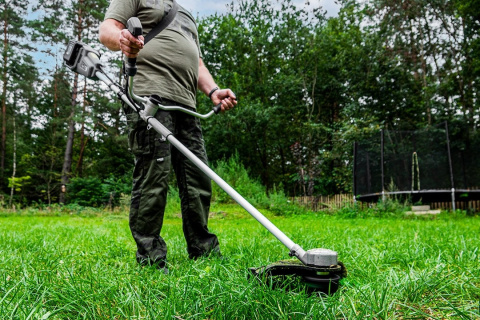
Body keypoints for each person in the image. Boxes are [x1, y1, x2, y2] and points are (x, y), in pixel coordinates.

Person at [99, 0, 237, 270]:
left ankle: (204, 252)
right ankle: (150, 258)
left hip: (187, 105)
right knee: (154, 176)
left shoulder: (185, 13)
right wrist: (123, 39)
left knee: (198, 179)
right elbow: (107, 29)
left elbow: (196, 62)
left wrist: (213, 91)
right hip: (149, 97)